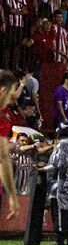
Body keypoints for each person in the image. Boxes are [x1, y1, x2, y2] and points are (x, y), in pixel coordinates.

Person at [43, 124, 68, 245]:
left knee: (58, 212)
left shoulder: (62, 145)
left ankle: (60, 240)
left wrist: (42, 168)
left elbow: (55, 163)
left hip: (60, 183)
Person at [0, 69, 25, 219]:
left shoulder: (3, 116)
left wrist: (12, 196)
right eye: (12, 94)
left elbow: (3, 158)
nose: (13, 99)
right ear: (3, 91)